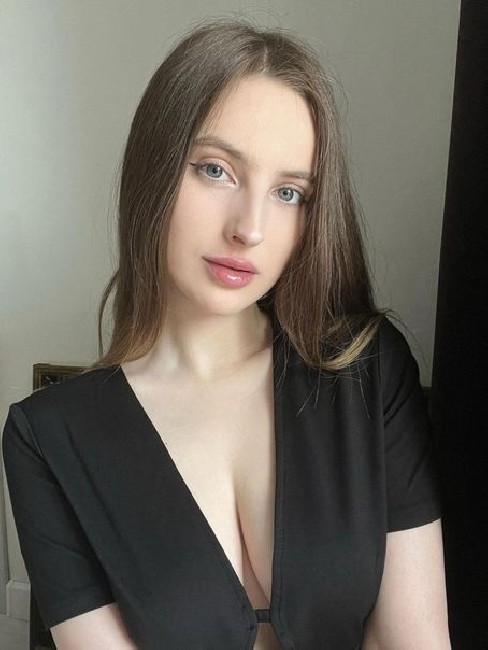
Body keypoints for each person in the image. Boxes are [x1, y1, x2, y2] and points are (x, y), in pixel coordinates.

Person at [2, 19, 451, 650]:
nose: (250, 228)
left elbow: (413, 639)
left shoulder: (368, 368)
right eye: (216, 170)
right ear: (154, 169)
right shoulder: (48, 437)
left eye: (289, 192)